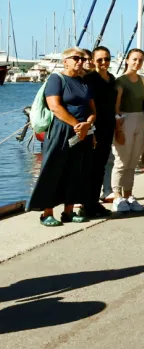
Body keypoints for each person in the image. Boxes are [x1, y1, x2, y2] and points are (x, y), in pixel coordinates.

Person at [28, 48, 96, 226]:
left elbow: (92, 109)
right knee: (53, 169)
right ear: (65, 61)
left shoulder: (83, 82)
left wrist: (88, 124)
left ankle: (69, 211)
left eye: (82, 59)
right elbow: (55, 106)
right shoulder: (56, 79)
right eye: (76, 58)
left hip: (83, 131)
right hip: (62, 129)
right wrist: (76, 125)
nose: (80, 61)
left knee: (76, 171)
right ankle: (47, 212)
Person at [111, 48, 144, 214]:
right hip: (125, 119)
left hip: (140, 119)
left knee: (133, 161)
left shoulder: (142, 79)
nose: (137, 63)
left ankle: (129, 194)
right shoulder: (120, 81)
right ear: (127, 60)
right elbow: (116, 107)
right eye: (134, 59)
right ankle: (117, 195)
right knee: (121, 160)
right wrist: (118, 128)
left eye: (140, 60)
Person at [82, 46, 116, 218]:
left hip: (108, 126)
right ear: (93, 61)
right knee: (91, 167)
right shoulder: (89, 79)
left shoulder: (112, 79)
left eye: (107, 59)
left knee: (101, 166)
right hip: (94, 127)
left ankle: (94, 202)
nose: (104, 63)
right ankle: (86, 204)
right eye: (100, 59)